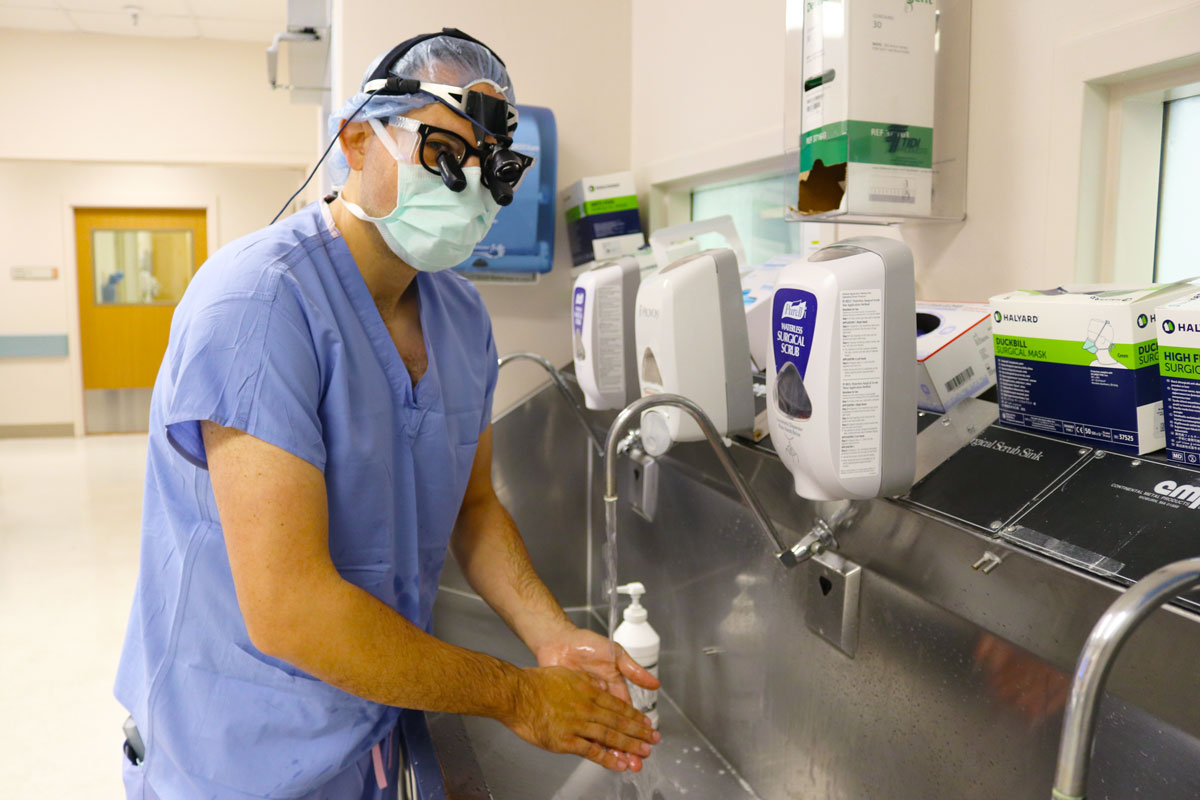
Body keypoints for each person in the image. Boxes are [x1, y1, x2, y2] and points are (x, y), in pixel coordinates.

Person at [115, 29, 659, 800]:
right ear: (357, 141)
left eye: (491, 169)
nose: (470, 187)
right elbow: (290, 611)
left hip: (364, 726)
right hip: (233, 753)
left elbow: (472, 509)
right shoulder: (261, 302)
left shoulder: (460, 318)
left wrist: (553, 639)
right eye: (443, 153)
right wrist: (516, 694)